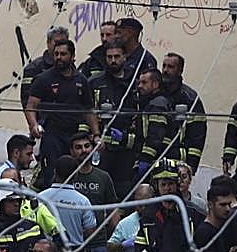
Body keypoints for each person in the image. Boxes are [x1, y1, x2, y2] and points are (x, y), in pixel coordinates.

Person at [25, 39, 99, 188]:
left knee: (76, 173)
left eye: (63, 54)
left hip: (74, 135)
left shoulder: (81, 81)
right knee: (51, 173)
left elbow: (88, 111)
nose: (58, 57)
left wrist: (96, 134)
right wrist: (34, 125)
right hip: (52, 135)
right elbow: (31, 106)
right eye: (56, 54)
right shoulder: (44, 79)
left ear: (72, 56)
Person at [39, 154, 100, 252]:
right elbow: (90, 230)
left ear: (55, 172)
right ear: (76, 174)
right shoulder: (82, 201)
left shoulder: (41, 198)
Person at [134, 160, 193, 252]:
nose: (167, 189)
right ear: (157, 186)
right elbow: (140, 248)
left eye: (171, 184)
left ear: (177, 184)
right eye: (163, 184)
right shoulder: (149, 214)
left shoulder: (189, 214)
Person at [68, 131, 121, 252]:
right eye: (78, 147)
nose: (84, 150)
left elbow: (113, 209)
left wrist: (113, 237)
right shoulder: (65, 177)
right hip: (71, 243)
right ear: (71, 151)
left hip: (98, 244)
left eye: (87, 146)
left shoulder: (103, 177)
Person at [89, 43, 136, 194]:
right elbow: (88, 113)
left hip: (126, 150)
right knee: (99, 188)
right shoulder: (95, 82)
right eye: (109, 57)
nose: (113, 61)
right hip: (102, 149)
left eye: (117, 57)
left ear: (125, 57)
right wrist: (93, 137)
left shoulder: (134, 83)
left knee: (123, 190)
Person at [160, 53, 207, 174]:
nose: (165, 70)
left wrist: (191, 167)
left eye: (170, 67)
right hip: (155, 158)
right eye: (164, 66)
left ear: (180, 70)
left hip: (178, 161)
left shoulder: (190, 99)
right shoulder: (156, 93)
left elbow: (197, 136)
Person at [131, 68, 176, 180]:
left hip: (156, 159)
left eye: (144, 83)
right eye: (139, 82)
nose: (139, 86)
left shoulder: (158, 104)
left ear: (155, 84)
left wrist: (145, 158)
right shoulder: (148, 103)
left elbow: (155, 135)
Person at [20, 26, 70, 107]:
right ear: (48, 43)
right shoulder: (33, 68)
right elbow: (27, 102)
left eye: (63, 42)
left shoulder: (69, 66)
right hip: (43, 117)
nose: (60, 46)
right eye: (56, 42)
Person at [108, 183, 154, 252]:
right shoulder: (125, 223)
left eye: (146, 205)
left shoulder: (161, 218)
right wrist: (122, 246)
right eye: (140, 205)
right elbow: (109, 251)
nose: (143, 208)